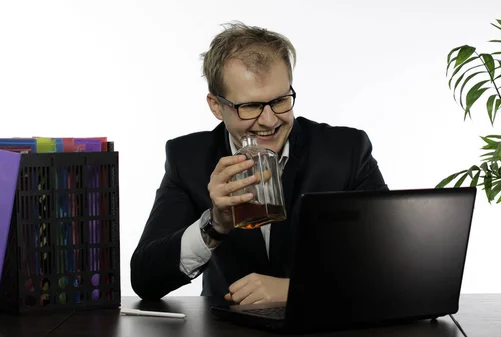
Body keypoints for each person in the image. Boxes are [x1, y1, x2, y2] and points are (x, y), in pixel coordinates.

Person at [130, 22, 388, 304]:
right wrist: (216, 225)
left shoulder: (346, 150)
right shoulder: (188, 157)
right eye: (250, 107)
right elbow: (145, 279)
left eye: (280, 100)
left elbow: (392, 266)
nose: (269, 121)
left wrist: (294, 291)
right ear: (216, 106)